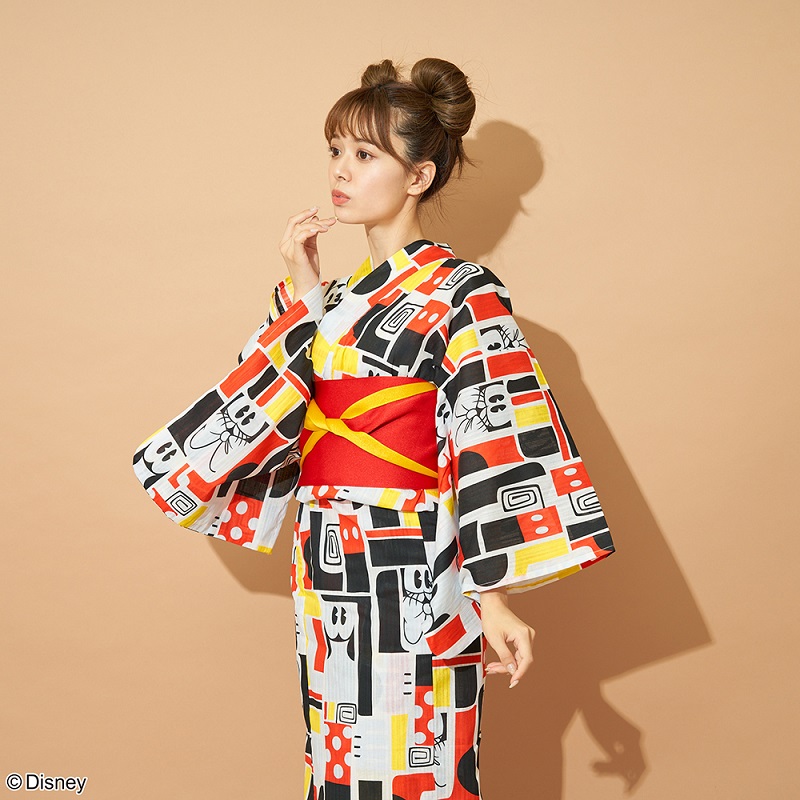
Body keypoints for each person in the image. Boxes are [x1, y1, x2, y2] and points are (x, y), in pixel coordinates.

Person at [132, 57, 615, 799]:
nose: (340, 170)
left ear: (418, 176)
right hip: (326, 553)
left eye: (364, 155)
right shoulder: (327, 298)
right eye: (335, 150)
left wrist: (493, 599)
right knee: (339, 756)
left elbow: (490, 442)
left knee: (419, 750)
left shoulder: (463, 293)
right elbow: (269, 415)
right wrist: (303, 290)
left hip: (418, 551)